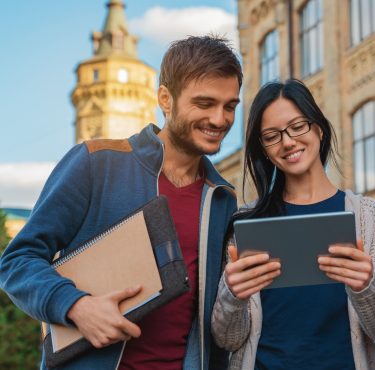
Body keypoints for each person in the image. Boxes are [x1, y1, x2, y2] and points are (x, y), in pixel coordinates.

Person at [0, 35, 242, 370]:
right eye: (204, 104)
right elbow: (17, 261)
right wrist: (75, 306)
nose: (219, 119)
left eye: (230, 106)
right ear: (165, 98)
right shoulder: (95, 162)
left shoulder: (222, 197)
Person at [211, 79, 375, 370]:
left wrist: (366, 286)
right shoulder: (246, 225)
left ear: (319, 129)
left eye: (298, 127)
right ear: (264, 149)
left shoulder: (370, 217)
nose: (288, 142)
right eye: (272, 136)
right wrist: (232, 295)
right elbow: (228, 339)